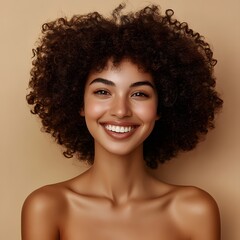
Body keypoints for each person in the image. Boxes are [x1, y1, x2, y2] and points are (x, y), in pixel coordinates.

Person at [22, 4, 223, 240]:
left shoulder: (195, 210)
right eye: (102, 92)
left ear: (161, 106)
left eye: (139, 94)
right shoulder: (47, 207)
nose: (120, 110)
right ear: (79, 103)